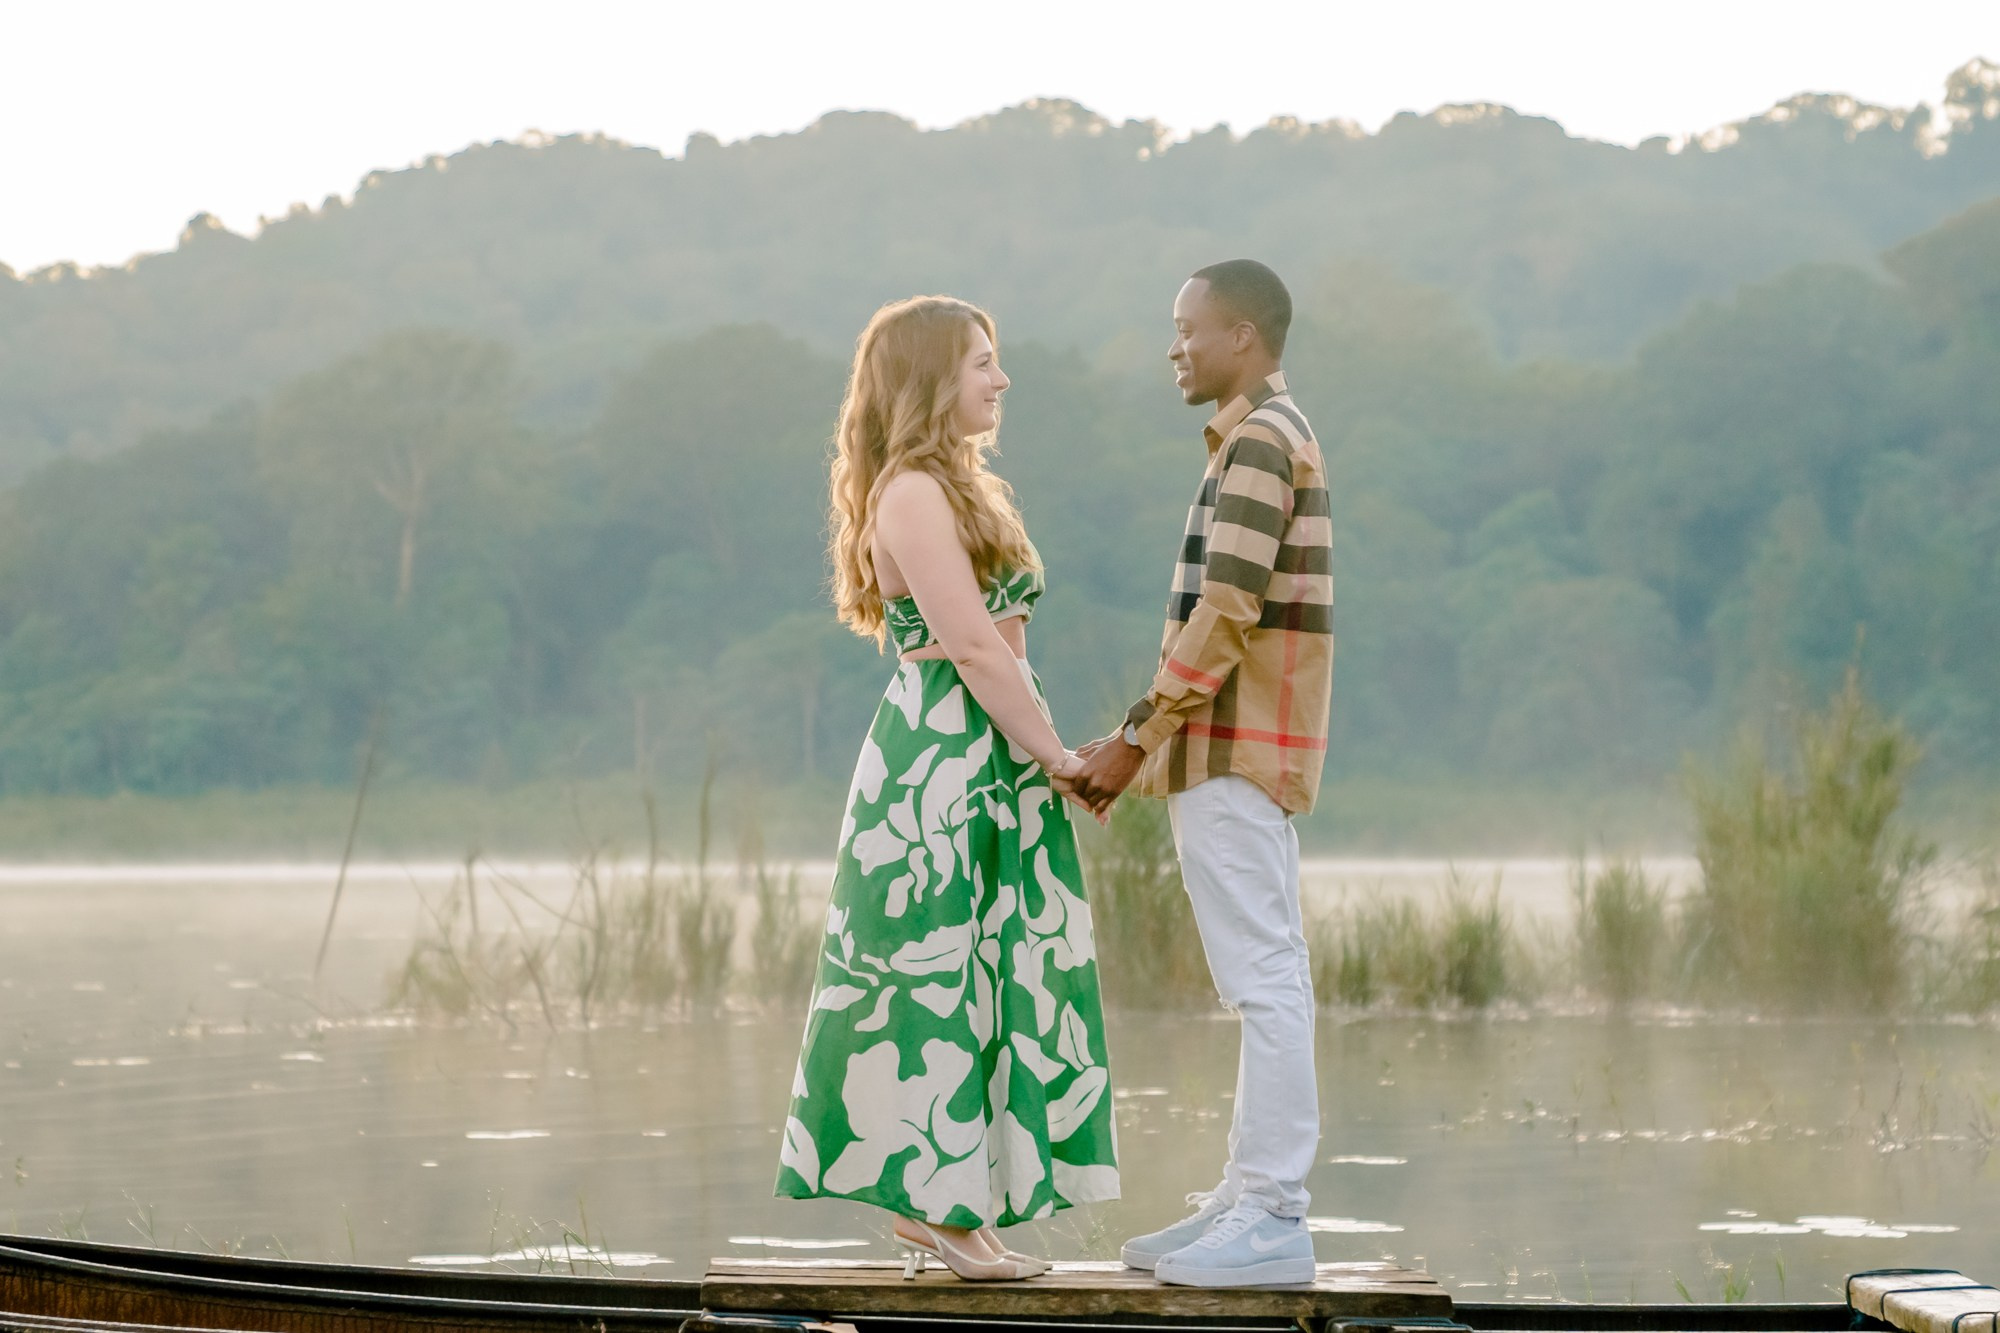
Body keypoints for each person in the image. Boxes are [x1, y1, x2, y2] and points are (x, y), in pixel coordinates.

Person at [775, 295, 1120, 1281]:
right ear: (930, 379)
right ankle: (938, 1207)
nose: (999, 379)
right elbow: (969, 644)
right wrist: (1057, 757)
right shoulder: (913, 494)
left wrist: (1037, 752)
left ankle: (949, 1209)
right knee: (938, 973)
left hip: (989, 746)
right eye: (980, 362)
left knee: (993, 967)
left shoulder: (960, 486)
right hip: (947, 757)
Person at [1070, 260, 1332, 1288]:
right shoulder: (1257, 438)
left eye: (1188, 328)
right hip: (1224, 745)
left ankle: (1272, 1211)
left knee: (1264, 980)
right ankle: (1245, 1195)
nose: (1173, 347)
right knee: (1264, 977)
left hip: (1233, 745)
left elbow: (1226, 610)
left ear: (1243, 337)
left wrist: (1136, 735)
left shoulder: (1262, 441)